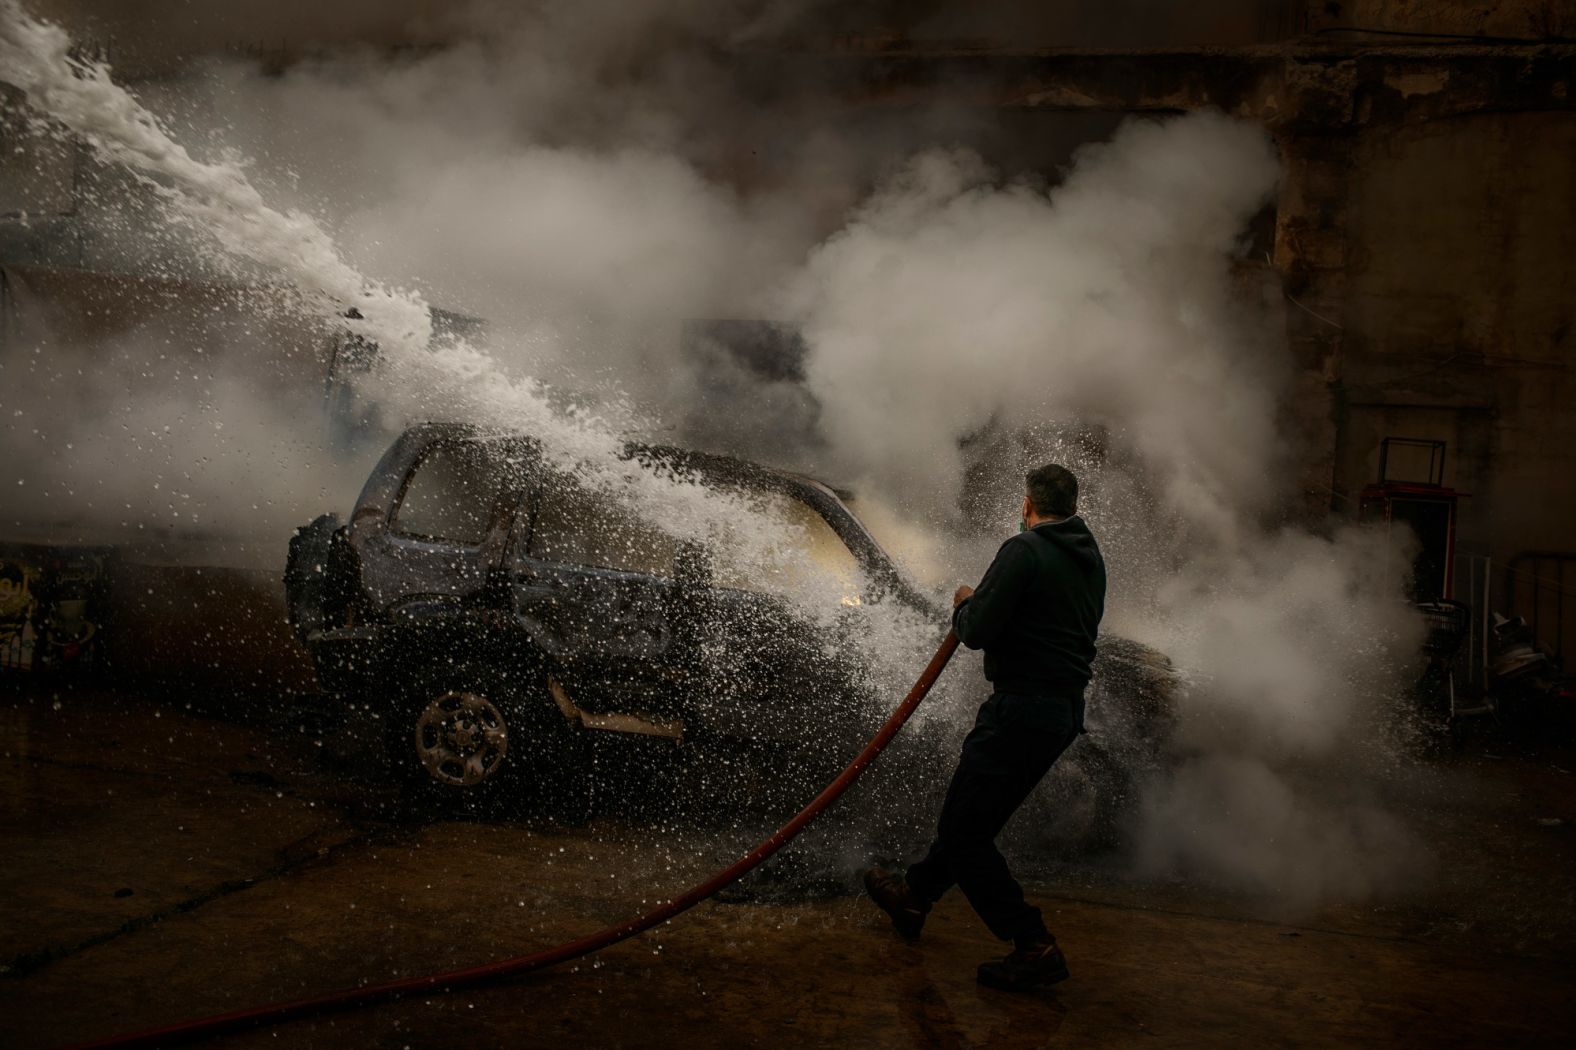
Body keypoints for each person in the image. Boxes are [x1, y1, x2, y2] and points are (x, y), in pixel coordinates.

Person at [864, 463, 1106, 992]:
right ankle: (915, 896)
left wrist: (965, 602)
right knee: (974, 820)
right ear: (1074, 507)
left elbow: (976, 631)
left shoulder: (1023, 550)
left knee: (963, 832)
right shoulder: (1089, 559)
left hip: (1020, 711)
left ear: (1027, 505)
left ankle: (1032, 942)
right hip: (1061, 713)